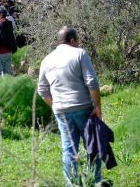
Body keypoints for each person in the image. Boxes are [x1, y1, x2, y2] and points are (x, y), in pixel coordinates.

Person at [37, 26, 103, 184]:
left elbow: (42, 89)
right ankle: (95, 182)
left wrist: (55, 105)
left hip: (61, 110)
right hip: (83, 107)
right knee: (92, 147)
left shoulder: (47, 60)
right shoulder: (79, 53)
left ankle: (71, 183)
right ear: (73, 40)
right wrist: (97, 106)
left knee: (68, 149)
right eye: (77, 41)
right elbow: (92, 82)